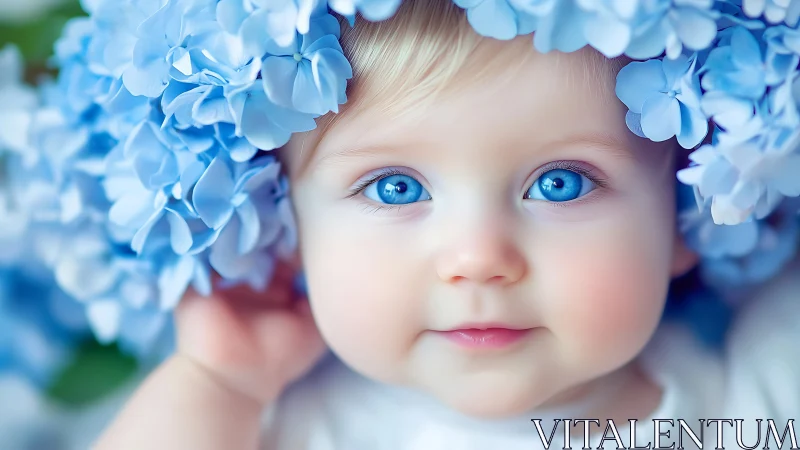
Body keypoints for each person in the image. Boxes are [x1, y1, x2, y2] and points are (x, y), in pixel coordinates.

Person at [93, 1, 800, 449]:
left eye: (561, 183)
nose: (476, 258)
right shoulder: (277, 426)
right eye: (395, 187)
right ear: (290, 228)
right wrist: (218, 383)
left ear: (688, 213)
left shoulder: (752, 401)